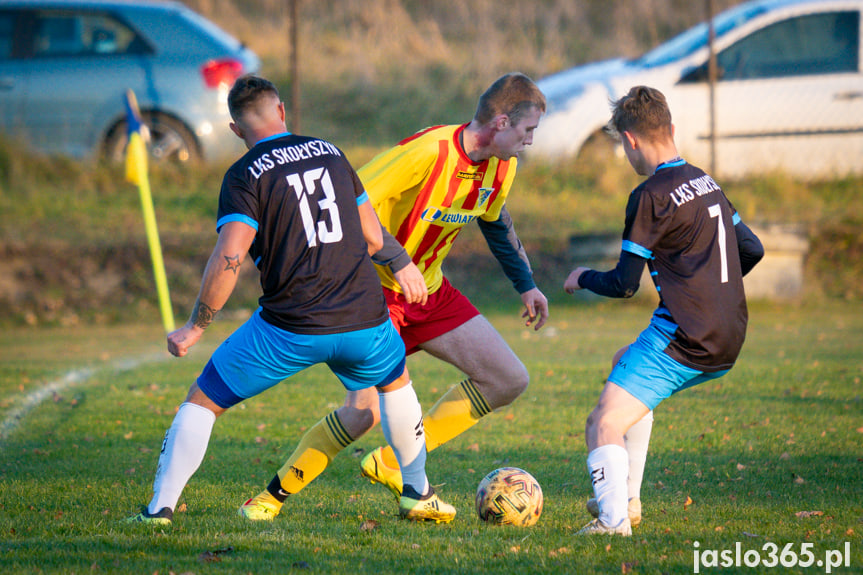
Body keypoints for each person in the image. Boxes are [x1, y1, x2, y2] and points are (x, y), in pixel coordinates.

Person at [124, 75, 455, 526]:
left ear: (236, 130)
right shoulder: (330, 152)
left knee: (203, 401)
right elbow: (373, 234)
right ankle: (417, 493)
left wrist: (196, 326)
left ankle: (159, 510)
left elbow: (231, 254)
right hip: (364, 318)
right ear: (281, 110)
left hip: (291, 327)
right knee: (396, 383)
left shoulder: (244, 174)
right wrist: (401, 264)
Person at [239, 72, 550, 519]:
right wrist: (394, 260)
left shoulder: (504, 167)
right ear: (501, 123)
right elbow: (345, 200)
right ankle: (268, 500)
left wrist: (526, 283)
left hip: (429, 291)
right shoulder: (426, 153)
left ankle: (391, 462)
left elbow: (495, 222)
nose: (531, 142)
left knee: (508, 378)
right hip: (371, 293)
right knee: (362, 410)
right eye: (528, 131)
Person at [564, 86, 764, 536]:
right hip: (730, 333)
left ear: (630, 141)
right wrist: (710, 288)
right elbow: (751, 248)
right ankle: (628, 501)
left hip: (686, 337)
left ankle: (613, 522)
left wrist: (582, 277)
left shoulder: (649, 195)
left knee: (604, 422)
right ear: (671, 129)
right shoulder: (705, 179)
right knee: (623, 360)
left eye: (622, 145)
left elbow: (623, 284)